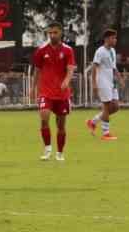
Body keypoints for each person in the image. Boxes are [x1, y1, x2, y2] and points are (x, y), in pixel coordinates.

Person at [31, 23, 76, 161]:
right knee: (44, 117)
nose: (52, 35)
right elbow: (37, 71)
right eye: (50, 33)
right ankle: (47, 148)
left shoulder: (68, 50)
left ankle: (60, 152)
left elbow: (70, 69)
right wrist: (33, 88)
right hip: (46, 91)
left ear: (61, 33)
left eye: (55, 32)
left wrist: (67, 80)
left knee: (60, 125)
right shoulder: (41, 50)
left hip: (62, 93)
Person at [85, 28, 121, 141]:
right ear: (106, 39)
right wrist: (94, 83)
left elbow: (113, 66)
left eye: (115, 38)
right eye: (113, 38)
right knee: (106, 107)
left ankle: (93, 121)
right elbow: (94, 67)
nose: (115, 40)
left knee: (115, 107)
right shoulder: (100, 51)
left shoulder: (113, 51)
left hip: (111, 82)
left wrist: (119, 77)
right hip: (103, 82)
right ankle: (106, 134)